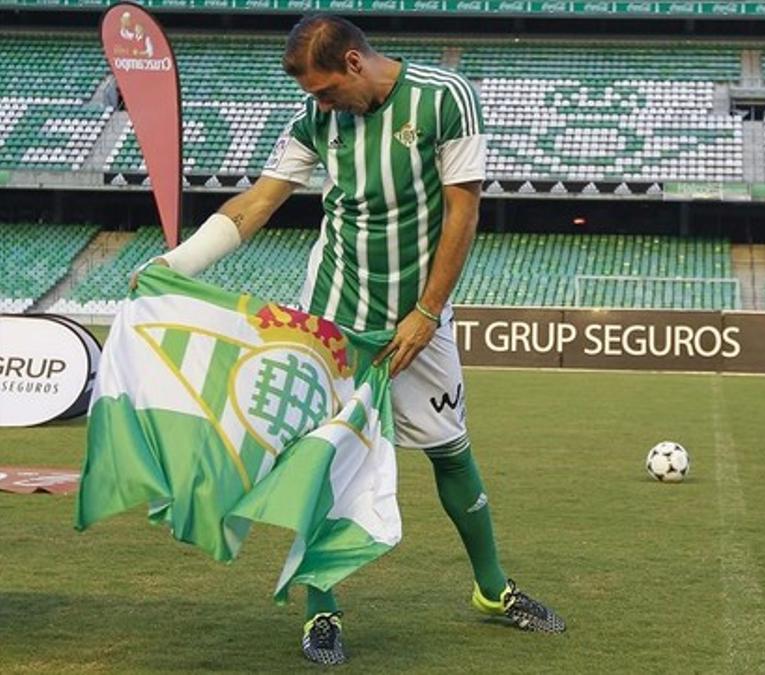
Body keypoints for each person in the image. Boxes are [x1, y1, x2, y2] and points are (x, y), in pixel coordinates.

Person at [133, 13, 564, 665]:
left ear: (356, 63)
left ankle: (492, 588)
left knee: (451, 452)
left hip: (419, 321)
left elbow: (463, 210)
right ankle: (322, 611)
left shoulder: (446, 99)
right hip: (331, 322)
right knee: (323, 464)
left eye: (326, 89)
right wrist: (174, 267)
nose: (320, 103)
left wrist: (426, 309)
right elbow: (257, 205)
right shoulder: (317, 122)